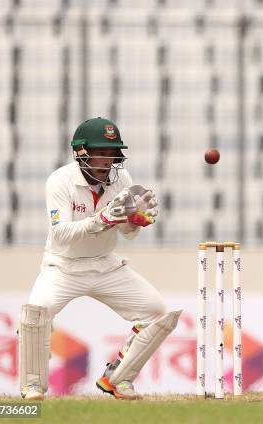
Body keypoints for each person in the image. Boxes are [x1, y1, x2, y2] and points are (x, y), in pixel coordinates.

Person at [19, 117, 182, 401]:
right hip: (63, 266)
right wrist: (102, 218)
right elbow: (60, 236)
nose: (107, 161)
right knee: (36, 313)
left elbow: (127, 233)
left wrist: (136, 222)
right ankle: (33, 385)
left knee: (158, 313)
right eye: (101, 152)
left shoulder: (123, 180)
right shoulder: (60, 181)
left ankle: (118, 379)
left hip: (105, 265)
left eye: (112, 153)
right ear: (81, 152)